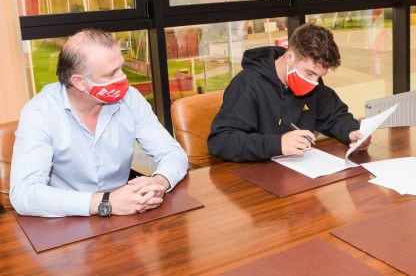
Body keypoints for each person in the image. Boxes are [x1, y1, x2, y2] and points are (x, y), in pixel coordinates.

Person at [10, 29, 189, 217]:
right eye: (111, 74)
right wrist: (104, 202)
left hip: (128, 213)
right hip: (68, 222)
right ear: (79, 82)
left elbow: (172, 153)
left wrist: (159, 181)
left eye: (122, 67)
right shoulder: (40, 113)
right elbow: (24, 194)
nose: (123, 78)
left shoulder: (130, 99)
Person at [208, 24, 369, 162]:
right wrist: (277, 144)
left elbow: (335, 116)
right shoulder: (249, 85)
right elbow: (221, 141)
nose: (314, 82)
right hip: (254, 179)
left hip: (300, 174)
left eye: (319, 76)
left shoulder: (313, 85)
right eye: (309, 73)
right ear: (289, 57)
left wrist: (352, 132)